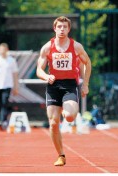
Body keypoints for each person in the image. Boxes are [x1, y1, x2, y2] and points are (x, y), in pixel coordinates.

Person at [36, 16, 91, 166]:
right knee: (53, 123)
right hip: (53, 86)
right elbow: (39, 70)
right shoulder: (47, 47)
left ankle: (67, 107)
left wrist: (85, 84)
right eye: (59, 27)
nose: (62, 29)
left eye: (64, 27)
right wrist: (47, 76)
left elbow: (88, 62)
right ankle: (61, 155)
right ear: (55, 28)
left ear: (69, 29)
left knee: (69, 117)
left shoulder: (76, 46)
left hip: (69, 86)